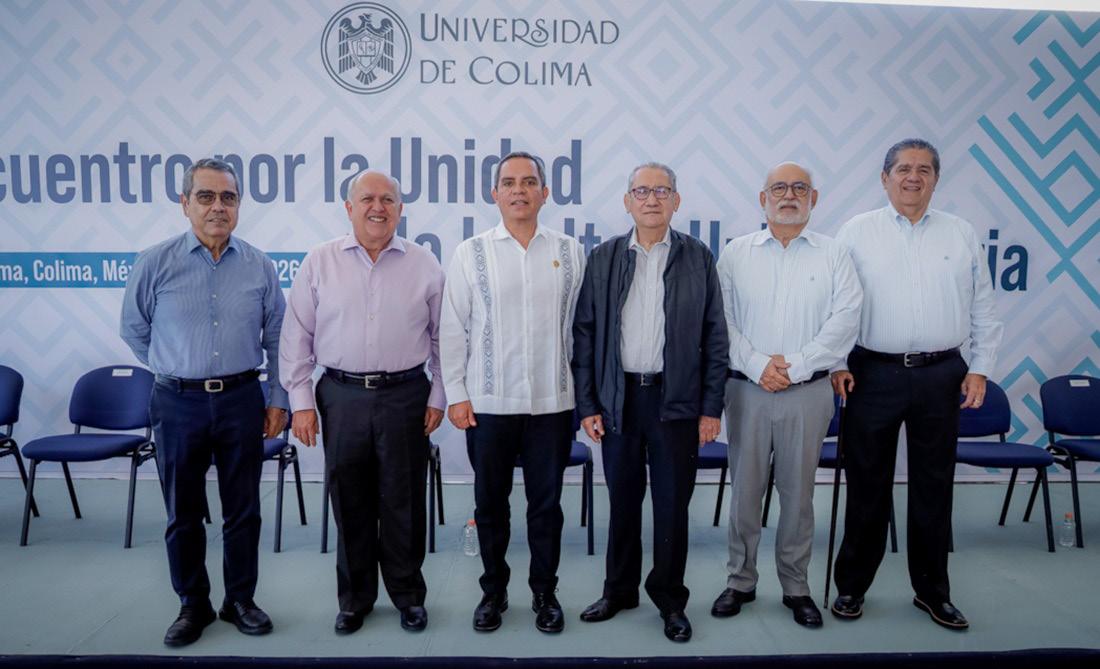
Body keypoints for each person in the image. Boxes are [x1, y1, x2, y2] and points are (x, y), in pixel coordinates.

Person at [830, 139, 1003, 631]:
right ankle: (851, 587)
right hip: (872, 373)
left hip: (941, 374)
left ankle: (932, 592)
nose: (913, 177)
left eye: (924, 169)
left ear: (936, 179)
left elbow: (984, 305)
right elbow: (838, 305)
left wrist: (980, 367)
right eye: (903, 168)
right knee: (867, 485)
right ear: (884, 178)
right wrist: (837, 362)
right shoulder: (856, 232)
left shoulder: (960, 233)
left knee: (934, 486)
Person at [120, 157, 288, 647]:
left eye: (228, 197)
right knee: (183, 512)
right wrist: (174, 366)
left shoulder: (259, 264)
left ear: (238, 205)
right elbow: (134, 328)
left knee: (243, 509)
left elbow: (277, 338)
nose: (218, 207)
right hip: (177, 403)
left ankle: (240, 601)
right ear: (185, 203)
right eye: (206, 196)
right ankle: (193, 604)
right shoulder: (155, 262)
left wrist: (277, 399)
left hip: (242, 399)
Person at [279, 170, 444, 635]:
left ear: (400, 209)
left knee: (404, 501)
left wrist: (438, 394)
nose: (378, 207)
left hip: (405, 396)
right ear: (349, 208)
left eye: (388, 199)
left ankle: (408, 596)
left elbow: (443, 338)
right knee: (349, 499)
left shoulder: (424, 263)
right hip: (341, 395)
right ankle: (354, 600)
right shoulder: (320, 261)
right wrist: (301, 402)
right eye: (367, 199)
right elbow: (296, 336)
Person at [572, 162, 728, 642]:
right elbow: (584, 335)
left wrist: (711, 408)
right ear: (628, 201)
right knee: (622, 501)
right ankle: (618, 591)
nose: (652, 199)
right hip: (619, 399)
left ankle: (670, 600)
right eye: (642, 191)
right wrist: (587, 405)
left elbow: (715, 336)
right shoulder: (604, 257)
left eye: (662, 191)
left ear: (676, 201)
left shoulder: (698, 257)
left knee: (671, 507)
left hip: (675, 401)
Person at [440, 151, 585, 634]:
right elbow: (453, 328)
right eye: (509, 182)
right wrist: (457, 394)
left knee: (546, 507)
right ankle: (493, 593)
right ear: (495, 193)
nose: (519, 190)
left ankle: (545, 593)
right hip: (488, 404)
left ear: (545, 192)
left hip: (552, 403)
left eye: (528, 182)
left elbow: (580, 331)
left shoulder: (570, 251)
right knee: (490, 505)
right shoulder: (471, 253)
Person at [712, 162, 861, 628]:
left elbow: (845, 320)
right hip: (747, 390)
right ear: (763, 199)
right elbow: (721, 321)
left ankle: (796, 587)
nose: (789, 195)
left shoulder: (834, 254)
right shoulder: (736, 253)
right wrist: (759, 365)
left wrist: (794, 366)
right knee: (745, 492)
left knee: (798, 496)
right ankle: (740, 581)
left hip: (808, 392)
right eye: (779, 187)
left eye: (800, 188)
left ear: (814, 199)